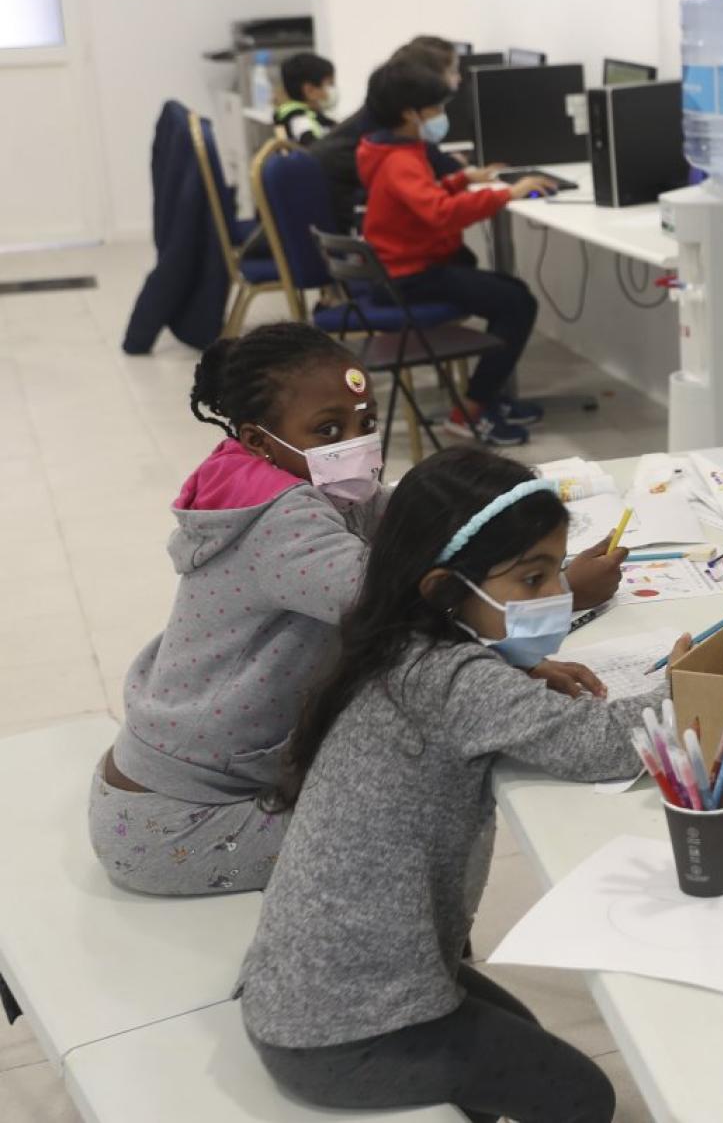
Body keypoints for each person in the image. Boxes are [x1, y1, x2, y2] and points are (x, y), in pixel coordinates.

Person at [87, 324, 621, 895]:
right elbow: (397, 603)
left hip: (206, 786)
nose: (357, 442)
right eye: (329, 429)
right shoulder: (282, 522)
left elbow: (422, 535)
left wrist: (527, 597)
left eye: (366, 422)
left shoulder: (330, 487)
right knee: (411, 820)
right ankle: (412, 970)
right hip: (175, 824)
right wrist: (563, 592)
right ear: (259, 439)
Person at [240, 449, 672, 1123]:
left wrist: (519, 671)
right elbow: (605, 746)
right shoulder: (453, 682)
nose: (558, 594)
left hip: (306, 991)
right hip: (338, 1034)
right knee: (583, 1097)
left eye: (557, 570)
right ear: (444, 592)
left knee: (521, 1034)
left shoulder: (398, 650)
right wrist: (699, 678)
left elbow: (481, 700)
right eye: (533, 579)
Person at [356, 57, 557, 446]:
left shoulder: (385, 148)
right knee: (516, 303)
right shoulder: (401, 160)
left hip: (398, 268)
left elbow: (421, 199)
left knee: (508, 292)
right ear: (410, 113)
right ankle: (470, 410)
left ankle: (491, 397)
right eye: (436, 107)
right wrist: (507, 193)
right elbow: (438, 214)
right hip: (408, 276)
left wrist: (461, 179)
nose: (441, 115)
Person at [311, 35, 504, 232]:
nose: (459, 78)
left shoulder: (388, 114)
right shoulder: (398, 133)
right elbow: (442, 191)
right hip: (349, 214)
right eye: (453, 71)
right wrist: (508, 192)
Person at [274, 53, 338, 145]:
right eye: (330, 84)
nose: (333, 90)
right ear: (309, 91)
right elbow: (314, 150)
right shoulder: (300, 119)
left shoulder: (313, 116)